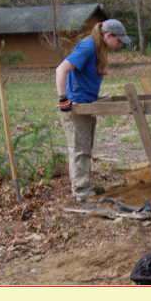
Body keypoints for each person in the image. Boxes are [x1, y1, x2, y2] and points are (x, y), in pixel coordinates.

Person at [55, 19, 131, 202]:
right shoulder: (87, 47)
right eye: (119, 40)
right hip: (76, 106)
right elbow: (61, 69)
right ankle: (81, 192)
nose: (120, 45)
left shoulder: (99, 48)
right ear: (108, 35)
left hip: (88, 103)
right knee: (79, 149)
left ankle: (84, 186)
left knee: (85, 146)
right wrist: (63, 100)